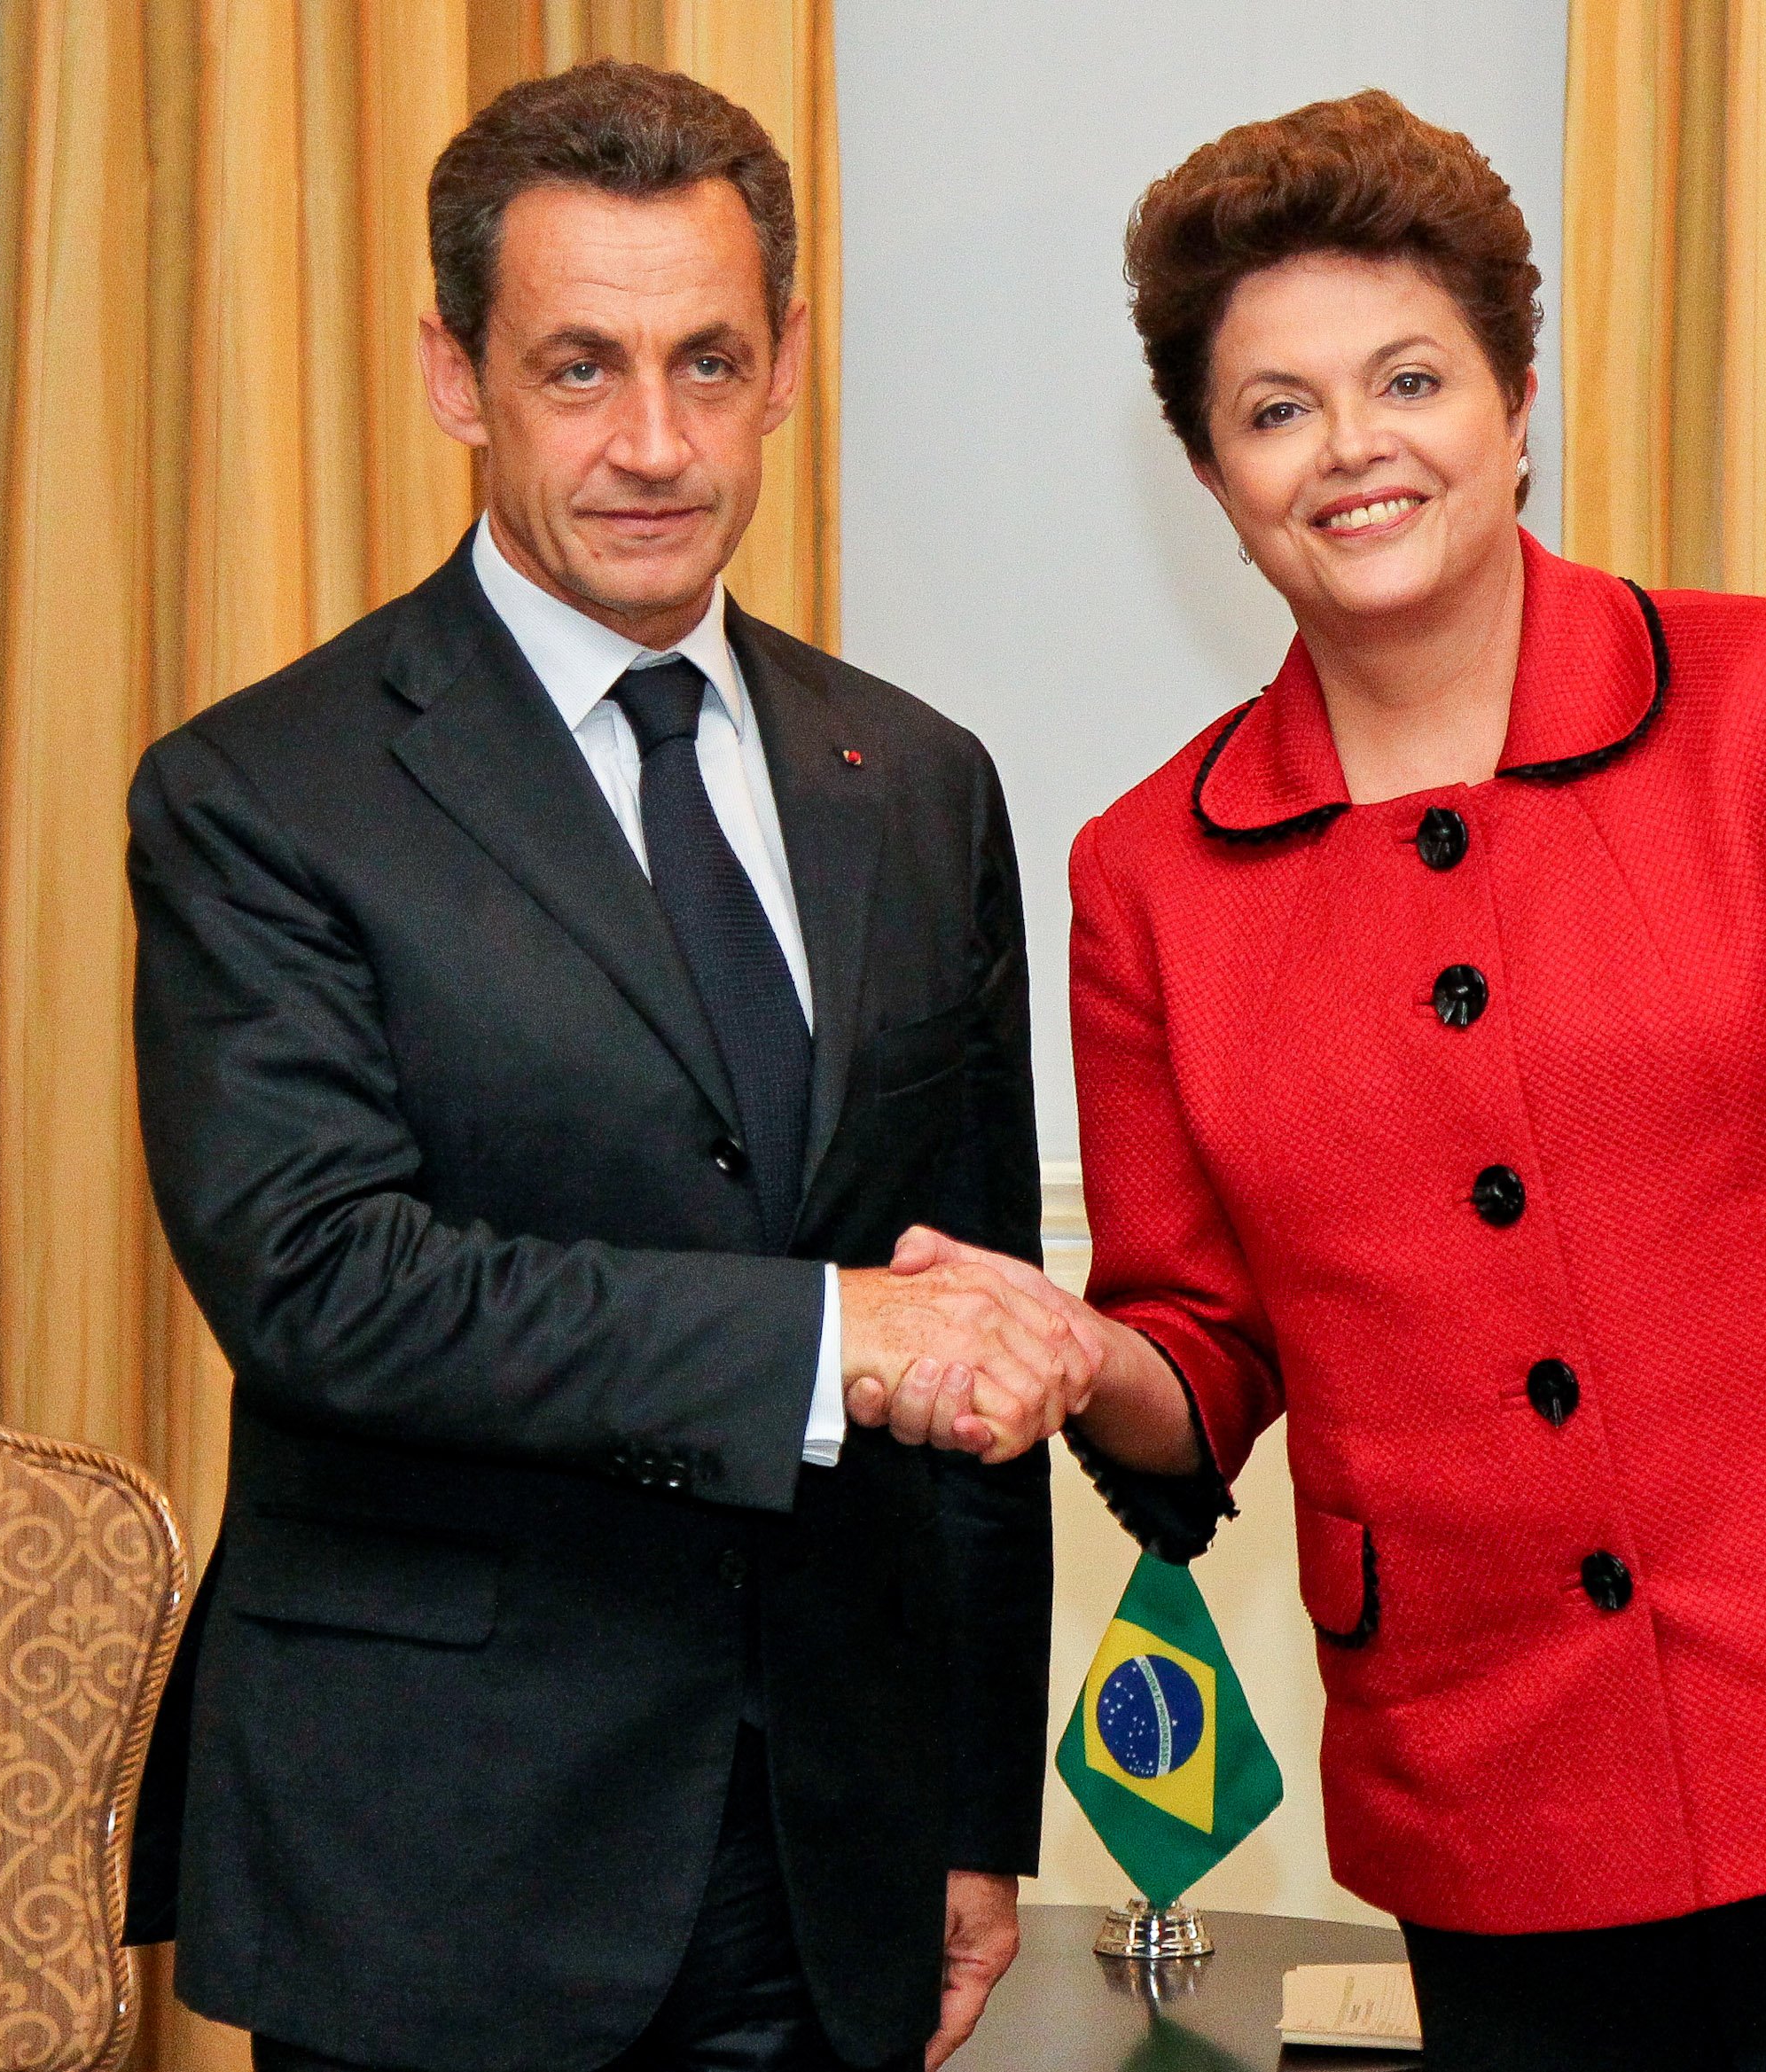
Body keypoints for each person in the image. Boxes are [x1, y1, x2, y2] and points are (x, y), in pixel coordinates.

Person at [895, 90, 1766, 2070]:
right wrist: (1080, 1354)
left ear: (1515, 403)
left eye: (1408, 378)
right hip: (1495, 1807)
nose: (1352, 446)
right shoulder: (1144, 874)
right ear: (1212, 476)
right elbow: (1204, 1351)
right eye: (1276, 409)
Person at [124, 59, 1093, 2072]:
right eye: (579, 368)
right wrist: (821, 1337)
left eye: (706, 363)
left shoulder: (917, 782)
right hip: (436, 1860)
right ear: (455, 375)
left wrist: (971, 1807)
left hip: (828, 1853)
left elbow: (972, 1310)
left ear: (785, 366)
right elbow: (323, 1284)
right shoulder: (262, 793)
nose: (654, 444)